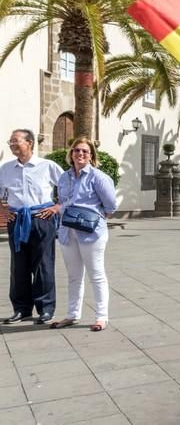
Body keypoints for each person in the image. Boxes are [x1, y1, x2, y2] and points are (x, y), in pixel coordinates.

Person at [50, 137, 118, 331]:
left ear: (91, 156)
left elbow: (111, 206)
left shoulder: (98, 177)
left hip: (91, 233)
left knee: (96, 274)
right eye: (77, 150)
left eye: (85, 151)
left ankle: (101, 317)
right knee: (73, 276)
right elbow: (63, 200)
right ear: (71, 154)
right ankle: (72, 315)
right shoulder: (64, 177)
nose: (80, 154)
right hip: (67, 232)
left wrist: (93, 216)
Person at [0, 129, 63, 324]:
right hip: (16, 220)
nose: (11, 144)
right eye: (10, 141)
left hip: (41, 219)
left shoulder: (47, 166)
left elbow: (68, 188)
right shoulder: (5, 169)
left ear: (30, 143)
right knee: (18, 267)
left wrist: (57, 207)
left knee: (43, 265)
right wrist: (3, 210)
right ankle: (22, 309)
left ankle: (46, 308)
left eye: (15, 141)